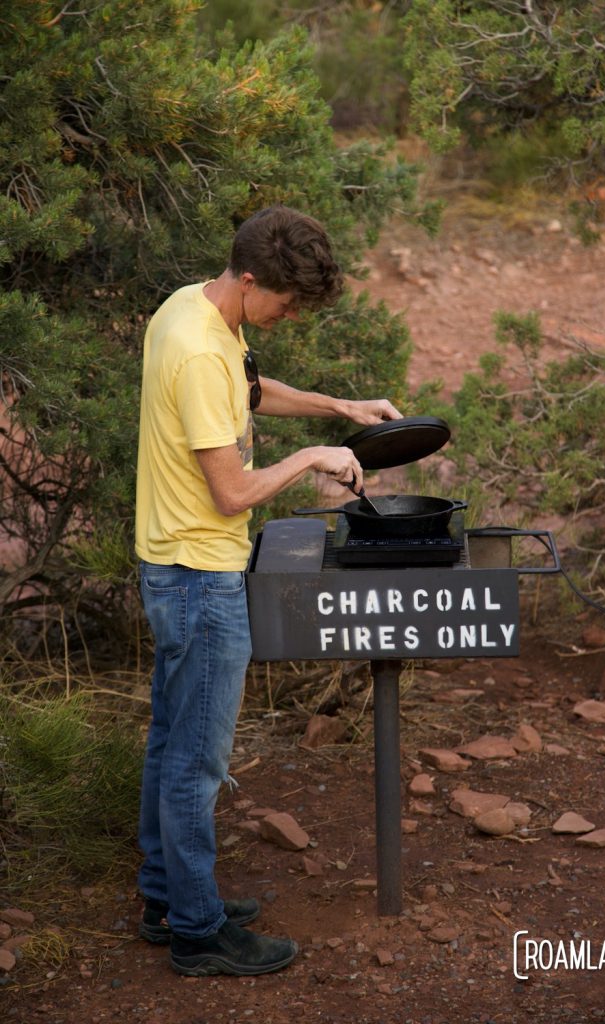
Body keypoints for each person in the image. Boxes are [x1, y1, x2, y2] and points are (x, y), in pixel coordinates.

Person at [134, 205, 400, 977]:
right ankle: (196, 931)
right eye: (283, 304)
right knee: (197, 762)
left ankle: (164, 896)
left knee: (168, 742)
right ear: (250, 281)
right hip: (198, 575)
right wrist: (313, 458)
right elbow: (230, 491)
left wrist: (340, 410)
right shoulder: (192, 348)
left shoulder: (197, 309)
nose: (286, 317)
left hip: (175, 561)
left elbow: (245, 393)